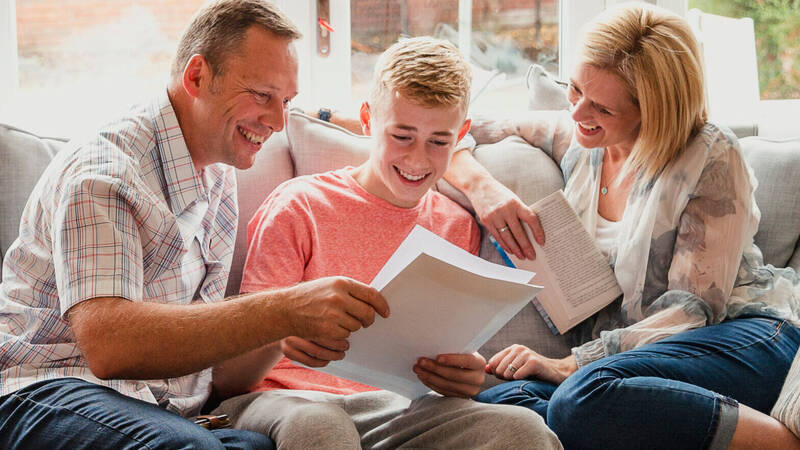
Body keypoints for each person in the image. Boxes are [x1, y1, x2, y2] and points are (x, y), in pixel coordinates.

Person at [0, 1, 393, 448]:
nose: (278, 122)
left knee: (260, 445)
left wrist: (285, 330)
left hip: (155, 408)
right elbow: (110, 346)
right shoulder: (107, 173)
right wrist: (282, 309)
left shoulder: (218, 171)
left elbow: (221, 377)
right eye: (262, 95)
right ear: (197, 77)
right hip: (46, 390)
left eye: (286, 102)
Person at [441, 3, 800, 449]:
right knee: (505, 398)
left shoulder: (709, 155)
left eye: (602, 108)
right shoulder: (582, 138)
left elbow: (690, 311)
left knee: (579, 397)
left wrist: (570, 363)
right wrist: (484, 190)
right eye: (573, 90)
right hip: (625, 369)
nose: (576, 113)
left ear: (653, 110)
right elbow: (452, 131)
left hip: (738, 338)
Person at [212, 37, 562, 449]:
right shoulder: (300, 204)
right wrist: (280, 331)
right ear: (367, 120)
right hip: (284, 399)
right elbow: (229, 379)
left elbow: (433, 359)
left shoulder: (455, 225)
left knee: (523, 429)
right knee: (322, 423)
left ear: (461, 135)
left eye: (438, 141)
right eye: (402, 136)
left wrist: (466, 378)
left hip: (395, 409)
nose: (417, 159)